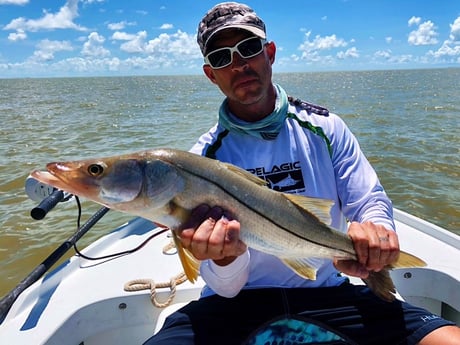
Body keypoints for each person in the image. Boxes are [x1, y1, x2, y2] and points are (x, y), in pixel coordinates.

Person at [144, 2, 459, 344]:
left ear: (270, 53)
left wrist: (377, 235)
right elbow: (226, 288)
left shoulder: (325, 128)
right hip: (234, 304)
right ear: (211, 74)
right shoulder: (202, 160)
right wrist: (224, 260)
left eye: (248, 48)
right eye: (222, 58)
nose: (239, 65)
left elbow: (368, 199)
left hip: (328, 290)